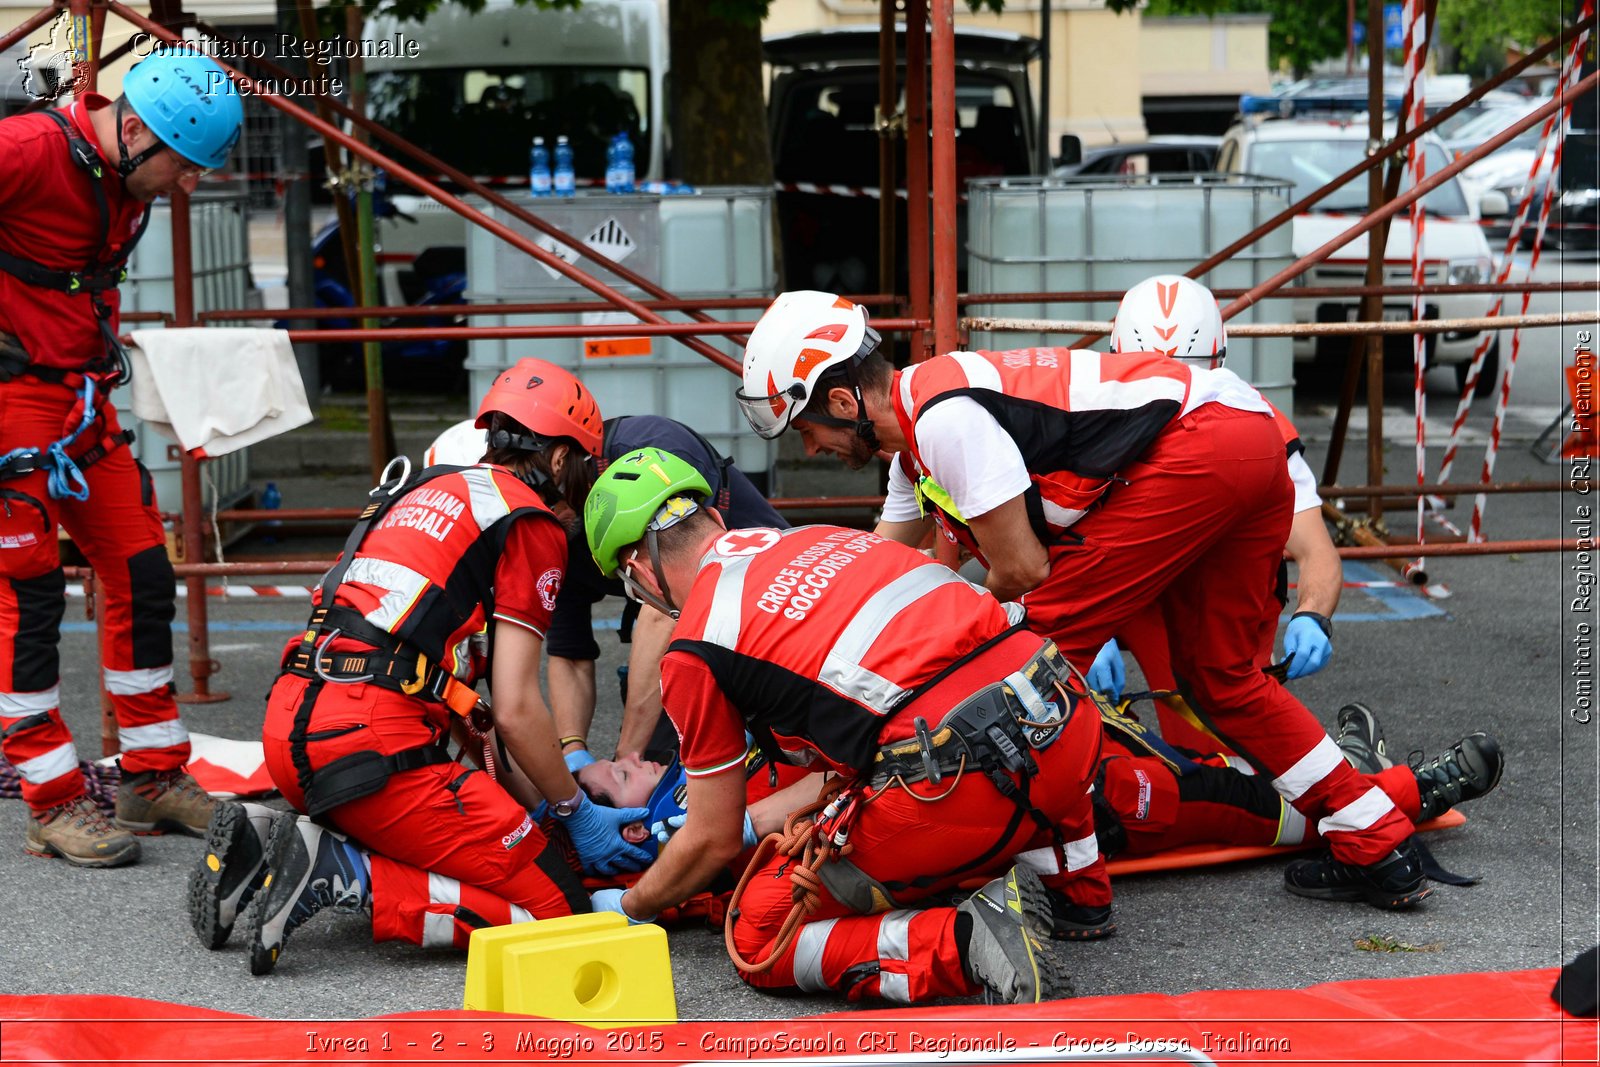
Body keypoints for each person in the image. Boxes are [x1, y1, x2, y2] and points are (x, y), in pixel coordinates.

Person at [737, 290, 1428, 911]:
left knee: (1022, 680)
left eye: (804, 429)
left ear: (840, 401)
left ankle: (1077, 888)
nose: (811, 446)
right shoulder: (913, 450)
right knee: (1222, 679)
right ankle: (1377, 839)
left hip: (1205, 442)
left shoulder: (944, 421)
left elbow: (1022, 566)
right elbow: (879, 572)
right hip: (1245, 434)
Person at [581, 446, 1110, 1006]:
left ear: (638, 571)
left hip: (957, 782)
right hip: (1065, 716)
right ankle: (1080, 896)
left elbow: (710, 838)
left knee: (760, 931)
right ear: (712, 517)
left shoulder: (696, 647)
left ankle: (965, 941)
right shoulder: (825, 535)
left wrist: (631, 907)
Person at [246, 359, 651, 975]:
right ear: (563, 459)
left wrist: (536, 815)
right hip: (371, 749)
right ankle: (346, 874)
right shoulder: (529, 522)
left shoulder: (420, 492)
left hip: (292, 732)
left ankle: (271, 847)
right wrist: (573, 811)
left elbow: (479, 722)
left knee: (512, 850)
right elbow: (516, 709)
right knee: (562, 917)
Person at [0, 48, 245, 867]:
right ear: (135, 130)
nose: (188, 185)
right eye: (182, 166)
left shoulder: (121, 172)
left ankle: (149, 776)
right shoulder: (29, 151)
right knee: (27, 600)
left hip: (79, 402)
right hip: (11, 403)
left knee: (141, 572)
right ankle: (54, 798)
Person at [422, 407, 786, 766]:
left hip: (774, 604)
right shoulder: (549, 524)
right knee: (655, 768)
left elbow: (667, 605)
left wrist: (625, 757)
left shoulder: (646, 451)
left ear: (555, 462)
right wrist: (573, 752)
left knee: (667, 764)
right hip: (689, 619)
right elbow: (570, 652)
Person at [1085, 274, 1343, 754]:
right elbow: (1032, 544)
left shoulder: (1264, 435)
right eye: (1148, 379)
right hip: (1122, 590)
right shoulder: (1087, 417)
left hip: (1213, 600)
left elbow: (1315, 551)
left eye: (1185, 379)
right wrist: (1080, 633)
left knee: (1221, 763)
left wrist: (1313, 617)